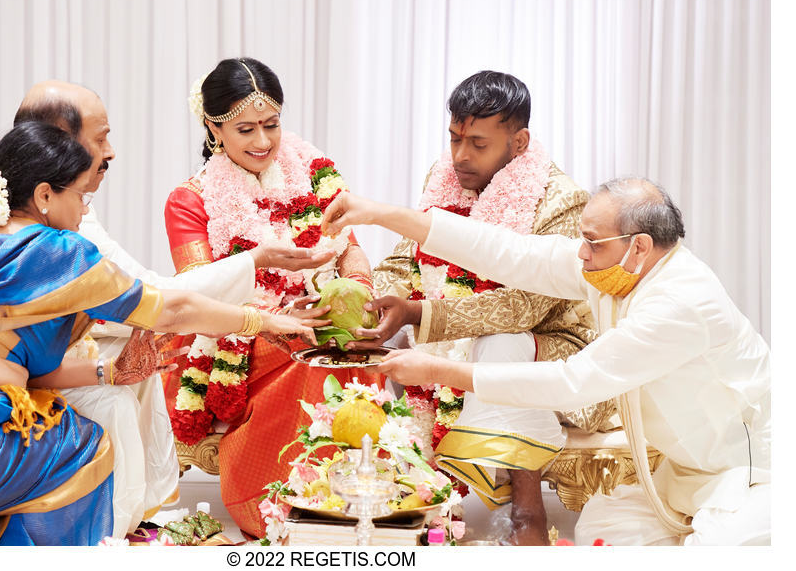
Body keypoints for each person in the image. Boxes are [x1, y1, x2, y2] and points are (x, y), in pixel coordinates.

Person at [0, 122, 319, 546]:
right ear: (44, 194)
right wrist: (266, 320)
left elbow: (9, 365)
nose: (86, 209)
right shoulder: (57, 251)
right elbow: (173, 308)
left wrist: (109, 371)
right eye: (82, 195)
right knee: (84, 444)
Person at [320, 178, 771, 545]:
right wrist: (381, 212)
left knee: (716, 551)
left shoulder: (681, 302)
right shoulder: (617, 268)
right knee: (602, 529)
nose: (581, 253)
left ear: (639, 246)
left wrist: (437, 370)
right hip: (684, 472)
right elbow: (512, 254)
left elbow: (573, 382)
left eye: (592, 242)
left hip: (750, 470)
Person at [13, 81, 331, 536]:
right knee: (129, 383)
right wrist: (266, 302)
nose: (112, 151)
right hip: (192, 338)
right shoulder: (180, 197)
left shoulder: (56, 203)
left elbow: (146, 300)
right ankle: (109, 533)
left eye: (271, 125)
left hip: (119, 336)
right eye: (101, 138)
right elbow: (163, 302)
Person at [348, 70, 609, 545]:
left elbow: (526, 306)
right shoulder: (443, 179)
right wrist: (377, 303)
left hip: (555, 345)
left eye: (477, 144)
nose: (460, 156)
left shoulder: (561, 200)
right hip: (453, 329)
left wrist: (418, 314)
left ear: (519, 142)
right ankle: (401, 488)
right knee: (372, 343)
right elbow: (403, 259)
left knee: (500, 342)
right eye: (454, 139)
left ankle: (526, 507)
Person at [163, 57, 383, 537]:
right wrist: (267, 283)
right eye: (246, 129)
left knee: (358, 343)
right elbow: (200, 298)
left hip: (317, 317)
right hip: (232, 339)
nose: (263, 142)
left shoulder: (315, 175)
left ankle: (358, 494)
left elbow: (351, 251)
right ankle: (292, 500)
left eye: (272, 125)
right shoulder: (189, 200)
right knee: (315, 355)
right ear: (213, 128)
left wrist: (357, 295)